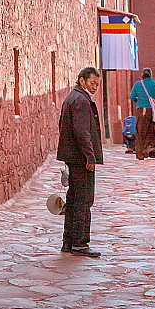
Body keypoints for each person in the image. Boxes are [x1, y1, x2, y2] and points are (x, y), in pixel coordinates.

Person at [56, 67, 103, 258]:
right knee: (84, 200)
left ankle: (69, 242)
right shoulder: (81, 101)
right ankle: (80, 244)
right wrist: (89, 156)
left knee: (74, 200)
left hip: (73, 157)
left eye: (97, 85)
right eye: (92, 83)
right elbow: (82, 131)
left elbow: (63, 126)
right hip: (81, 159)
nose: (95, 88)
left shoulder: (72, 98)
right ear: (82, 81)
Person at [129, 68, 155, 160]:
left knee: (141, 131)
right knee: (153, 131)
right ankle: (152, 151)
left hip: (141, 110)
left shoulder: (137, 84)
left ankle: (140, 153)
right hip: (153, 111)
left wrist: (139, 102)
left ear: (142, 75)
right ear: (150, 75)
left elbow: (132, 96)